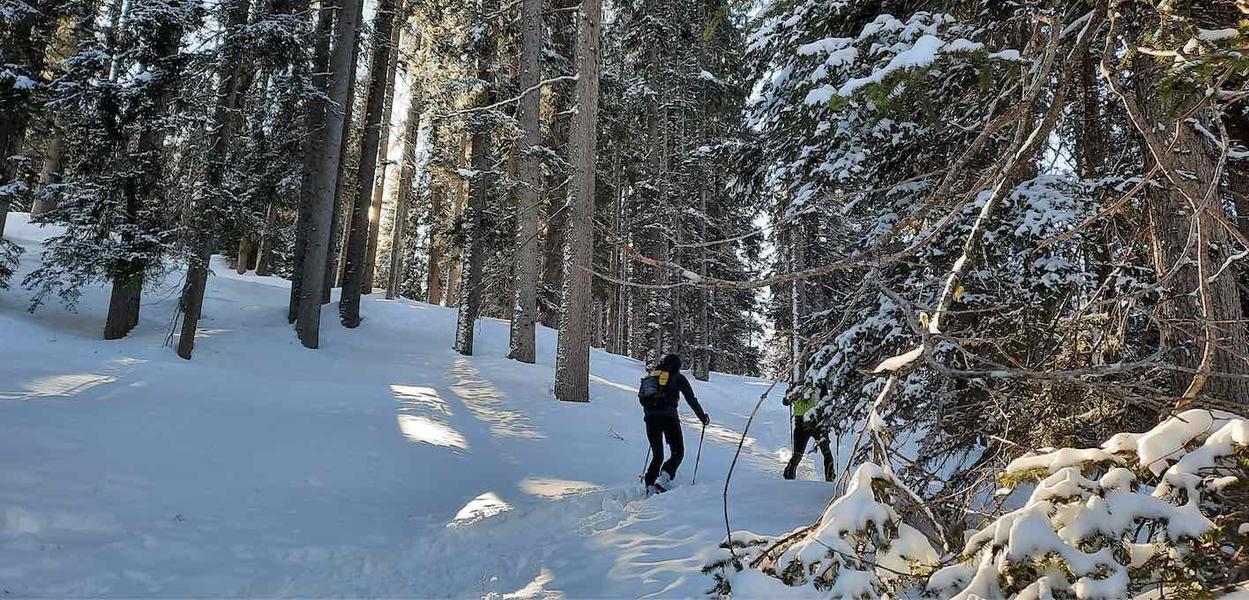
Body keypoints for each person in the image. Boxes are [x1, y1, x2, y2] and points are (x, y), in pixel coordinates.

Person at [642, 354, 709, 494]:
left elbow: (644, 397)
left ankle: (649, 484)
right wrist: (702, 417)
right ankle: (664, 478)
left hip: (651, 419)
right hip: (669, 419)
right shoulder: (678, 378)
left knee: (657, 455)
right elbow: (691, 399)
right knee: (678, 452)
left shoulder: (653, 376)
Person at [782, 384, 834, 481]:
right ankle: (789, 479)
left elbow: (786, 401)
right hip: (807, 423)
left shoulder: (815, 383)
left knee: (823, 452)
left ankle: (789, 478)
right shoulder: (800, 384)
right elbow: (786, 401)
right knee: (800, 454)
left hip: (814, 422)